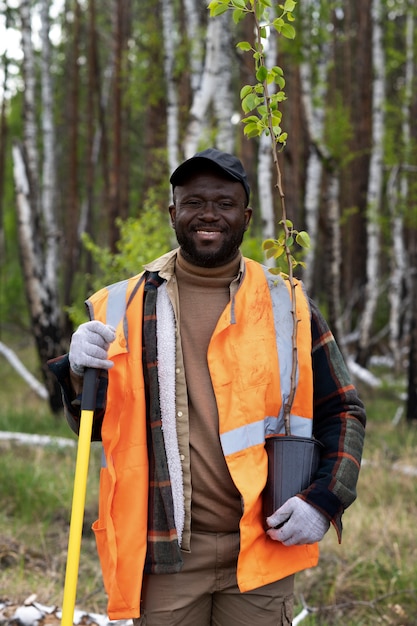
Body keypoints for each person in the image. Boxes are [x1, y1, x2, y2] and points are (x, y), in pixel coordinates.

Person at [49, 148, 366, 626]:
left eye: (224, 202)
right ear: (173, 212)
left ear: (247, 215)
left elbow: (343, 410)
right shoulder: (121, 306)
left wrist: (325, 501)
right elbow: (92, 427)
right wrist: (77, 370)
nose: (209, 215)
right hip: (166, 552)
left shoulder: (289, 305)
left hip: (263, 545)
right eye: (194, 202)